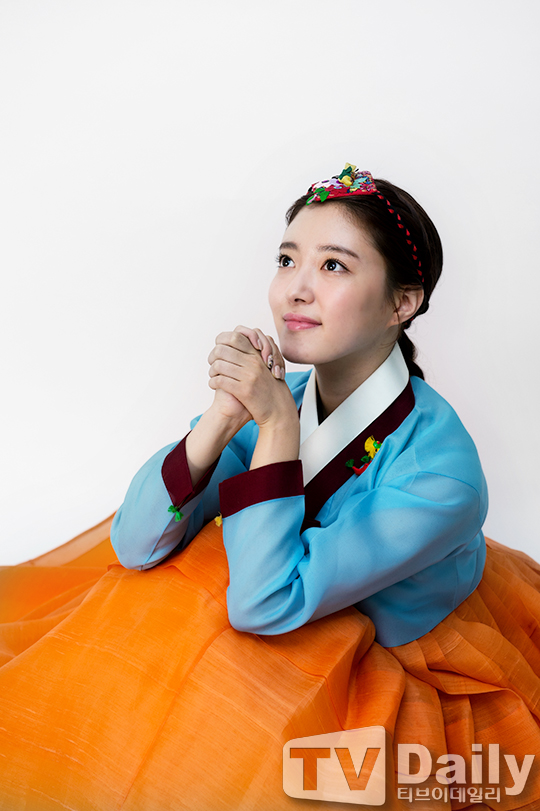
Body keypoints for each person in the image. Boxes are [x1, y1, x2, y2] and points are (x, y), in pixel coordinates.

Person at [0, 164, 539, 811]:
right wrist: (225, 414)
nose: (295, 290)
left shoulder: (440, 475)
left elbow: (262, 604)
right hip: (288, 606)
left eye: (333, 266)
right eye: (287, 260)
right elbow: (136, 541)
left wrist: (277, 423)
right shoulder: (292, 395)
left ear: (403, 303)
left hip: (390, 650)